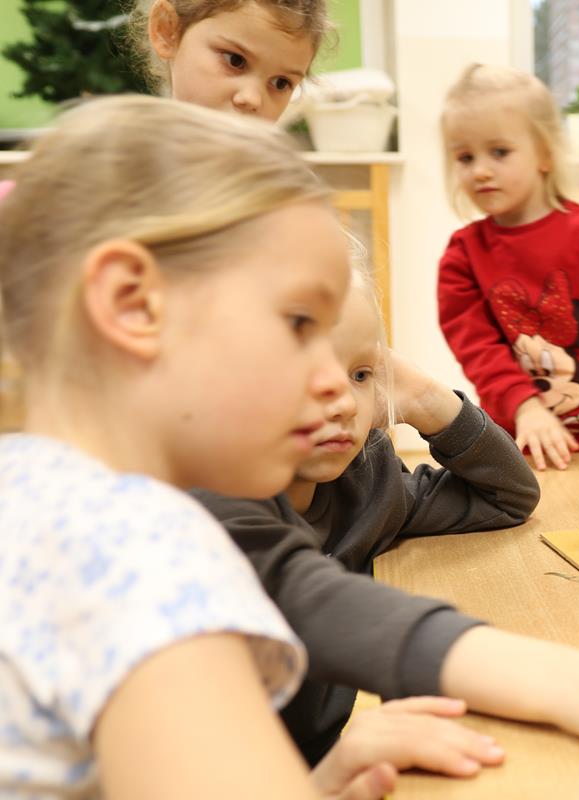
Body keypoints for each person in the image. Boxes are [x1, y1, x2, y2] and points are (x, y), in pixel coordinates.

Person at [197, 268, 579, 769]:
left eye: (361, 373)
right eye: (299, 367)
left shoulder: (367, 480)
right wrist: (563, 681)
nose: (342, 400)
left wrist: (426, 398)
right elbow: (315, 603)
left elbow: (508, 497)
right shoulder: (206, 509)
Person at [0, 95, 391, 800]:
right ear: (132, 303)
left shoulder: (26, 489)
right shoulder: (144, 551)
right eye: (299, 323)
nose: (335, 383)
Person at [437, 63, 579, 471]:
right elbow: (481, 353)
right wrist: (525, 406)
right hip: (526, 445)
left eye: (499, 152)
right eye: (465, 157)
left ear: (545, 154)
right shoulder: (462, 257)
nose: (480, 170)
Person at [133, 0, 328, 122]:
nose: (252, 99)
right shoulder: (126, 161)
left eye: (280, 83)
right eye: (235, 61)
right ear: (166, 30)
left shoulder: (282, 175)